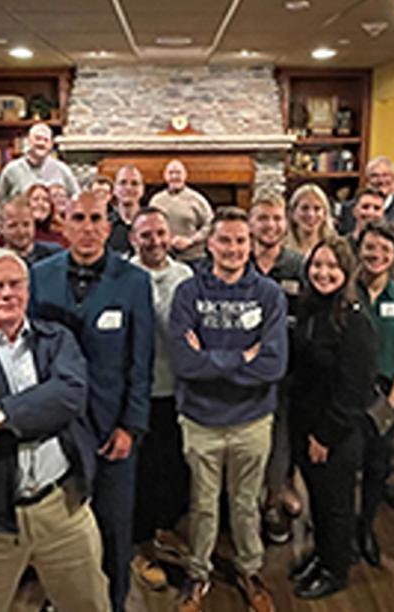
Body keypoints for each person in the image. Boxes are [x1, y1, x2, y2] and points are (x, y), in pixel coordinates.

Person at [0, 247, 110, 612]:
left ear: (28, 291)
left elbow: (71, 396)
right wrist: (38, 410)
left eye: (16, 284)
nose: (8, 294)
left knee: (90, 604)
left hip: (61, 510)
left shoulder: (57, 338)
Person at [29, 192, 154, 612]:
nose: (86, 227)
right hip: (56, 429)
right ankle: (62, 601)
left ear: (108, 225)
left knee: (115, 527)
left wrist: (131, 427)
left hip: (111, 429)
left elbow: (141, 360)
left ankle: (115, 602)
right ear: (63, 224)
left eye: (95, 218)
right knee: (59, 527)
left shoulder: (135, 281)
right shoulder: (38, 276)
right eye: (77, 218)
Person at [169, 207, 288, 612]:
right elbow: (184, 363)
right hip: (200, 420)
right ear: (210, 244)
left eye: (241, 240)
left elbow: (273, 365)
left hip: (253, 420)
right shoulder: (188, 292)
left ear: (250, 244)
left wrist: (213, 360)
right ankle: (197, 573)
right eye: (225, 240)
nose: (233, 248)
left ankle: (250, 569)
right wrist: (242, 357)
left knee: (246, 502)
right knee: (202, 504)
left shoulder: (268, 293)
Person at [288, 237, 378, 599]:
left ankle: (335, 569)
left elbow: (354, 390)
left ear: (347, 272)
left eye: (332, 267)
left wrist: (325, 436)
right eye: (317, 265)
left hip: (334, 434)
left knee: (335, 504)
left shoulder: (355, 321)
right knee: (319, 502)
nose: (323, 273)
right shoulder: (309, 308)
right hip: (304, 423)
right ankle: (323, 555)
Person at [127, 208, 194, 591]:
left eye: (160, 233)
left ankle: (165, 529)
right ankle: (141, 544)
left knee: (171, 467)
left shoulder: (185, 276)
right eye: (145, 235)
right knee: (142, 471)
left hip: (177, 389)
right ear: (134, 238)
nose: (154, 241)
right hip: (138, 391)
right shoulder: (123, 275)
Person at [353, 222, 394, 567]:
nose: (376, 255)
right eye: (369, 248)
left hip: (384, 394)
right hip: (347, 393)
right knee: (345, 465)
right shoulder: (346, 292)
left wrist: (391, 403)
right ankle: (343, 529)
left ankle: (365, 527)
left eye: (384, 250)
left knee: (376, 466)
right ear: (358, 249)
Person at [248, 192, 307, 543]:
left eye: (276, 218)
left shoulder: (298, 266)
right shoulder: (239, 261)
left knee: (281, 437)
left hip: (289, 369)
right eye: (263, 218)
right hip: (246, 369)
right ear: (251, 223)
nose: (270, 225)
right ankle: (245, 503)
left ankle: (273, 501)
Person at [0, 121, 80, 217]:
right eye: (37, 138)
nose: (41, 143)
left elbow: (77, 198)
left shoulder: (62, 170)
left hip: (54, 230)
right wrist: (5, 228)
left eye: (46, 140)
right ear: (28, 141)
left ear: (51, 145)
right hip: (21, 229)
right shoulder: (11, 170)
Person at [148, 159, 215, 264]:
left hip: (194, 258)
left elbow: (210, 224)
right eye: (171, 173)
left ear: (185, 175)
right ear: (165, 176)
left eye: (178, 173)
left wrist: (191, 240)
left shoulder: (197, 199)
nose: (175, 176)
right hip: (164, 259)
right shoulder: (156, 201)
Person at [0, 195, 61, 265]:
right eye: (13, 226)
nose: (21, 232)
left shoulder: (55, 255)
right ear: (1, 227)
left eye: (26, 224)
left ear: (34, 224)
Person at [284, 183, 336, 256]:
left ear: (325, 214)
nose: (311, 214)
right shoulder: (280, 251)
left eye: (317, 208)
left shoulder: (337, 249)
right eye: (304, 208)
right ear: (293, 213)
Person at [108, 164, 145, 257]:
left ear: (142, 189)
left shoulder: (152, 224)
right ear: (115, 189)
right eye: (123, 183)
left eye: (134, 183)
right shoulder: (104, 225)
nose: (128, 188)